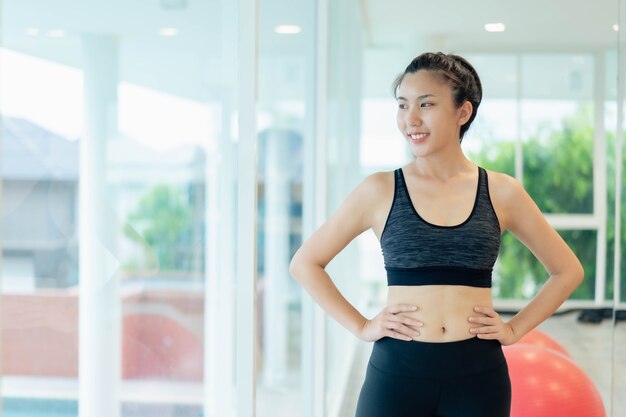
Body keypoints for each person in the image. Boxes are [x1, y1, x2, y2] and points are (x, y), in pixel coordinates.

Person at [288, 51, 584, 417]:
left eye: (425, 104)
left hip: (477, 377)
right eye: (402, 105)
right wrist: (362, 326)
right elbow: (306, 263)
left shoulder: (501, 191)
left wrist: (514, 329)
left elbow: (567, 271)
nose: (410, 119)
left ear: (463, 112)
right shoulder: (379, 190)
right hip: (396, 375)